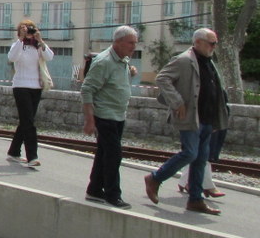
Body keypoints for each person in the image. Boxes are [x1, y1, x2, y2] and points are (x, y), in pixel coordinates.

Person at [143, 28, 228, 215]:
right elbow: (163, 78)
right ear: (197, 42)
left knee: (200, 158)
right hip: (190, 117)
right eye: (211, 43)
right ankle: (155, 178)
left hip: (206, 119)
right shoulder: (184, 60)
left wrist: (216, 119)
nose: (214, 46)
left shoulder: (209, 62)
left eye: (215, 43)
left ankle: (195, 200)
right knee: (190, 153)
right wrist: (177, 101)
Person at [82, 25, 139, 209]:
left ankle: (94, 189)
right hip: (104, 115)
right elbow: (87, 90)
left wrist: (130, 71)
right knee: (114, 155)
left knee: (104, 153)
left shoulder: (122, 60)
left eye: (135, 43)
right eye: (130, 43)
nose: (133, 46)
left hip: (118, 115)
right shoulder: (104, 61)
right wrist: (90, 120)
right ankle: (113, 194)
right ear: (118, 42)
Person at [7, 19, 54, 167]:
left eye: (31, 30)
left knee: (26, 121)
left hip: (36, 87)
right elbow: (11, 57)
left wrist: (41, 41)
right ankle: (32, 156)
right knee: (29, 122)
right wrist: (20, 39)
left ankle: (14, 152)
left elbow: (50, 56)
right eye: (26, 30)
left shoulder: (37, 46)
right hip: (21, 86)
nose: (29, 34)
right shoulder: (18, 46)